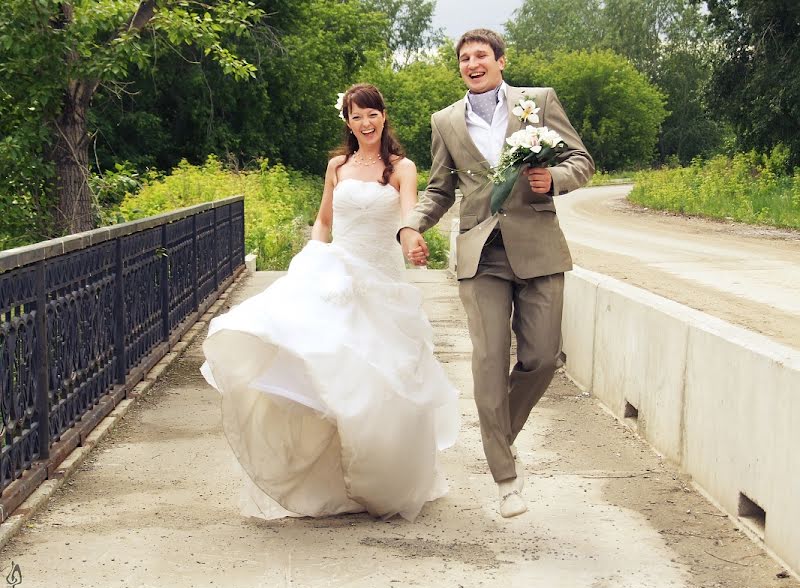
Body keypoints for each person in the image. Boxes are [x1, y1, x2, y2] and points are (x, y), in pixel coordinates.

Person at [201, 83, 460, 522]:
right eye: (357, 116)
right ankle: (330, 480)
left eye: (373, 114)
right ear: (347, 121)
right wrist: (311, 258)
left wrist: (412, 241)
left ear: (383, 116)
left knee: (383, 376)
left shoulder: (401, 168)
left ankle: (383, 477)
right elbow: (324, 220)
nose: (366, 123)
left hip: (380, 279)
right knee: (327, 368)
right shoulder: (336, 166)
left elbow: (408, 216)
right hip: (337, 272)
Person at [400, 29, 594, 518]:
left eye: (481, 55)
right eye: (464, 58)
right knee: (488, 361)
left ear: (501, 61)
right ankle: (505, 476)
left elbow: (581, 161)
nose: (472, 63)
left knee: (543, 358)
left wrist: (554, 180)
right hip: (481, 253)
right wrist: (411, 226)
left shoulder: (539, 102)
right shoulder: (445, 121)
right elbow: (440, 189)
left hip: (539, 247)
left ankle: (500, 436)